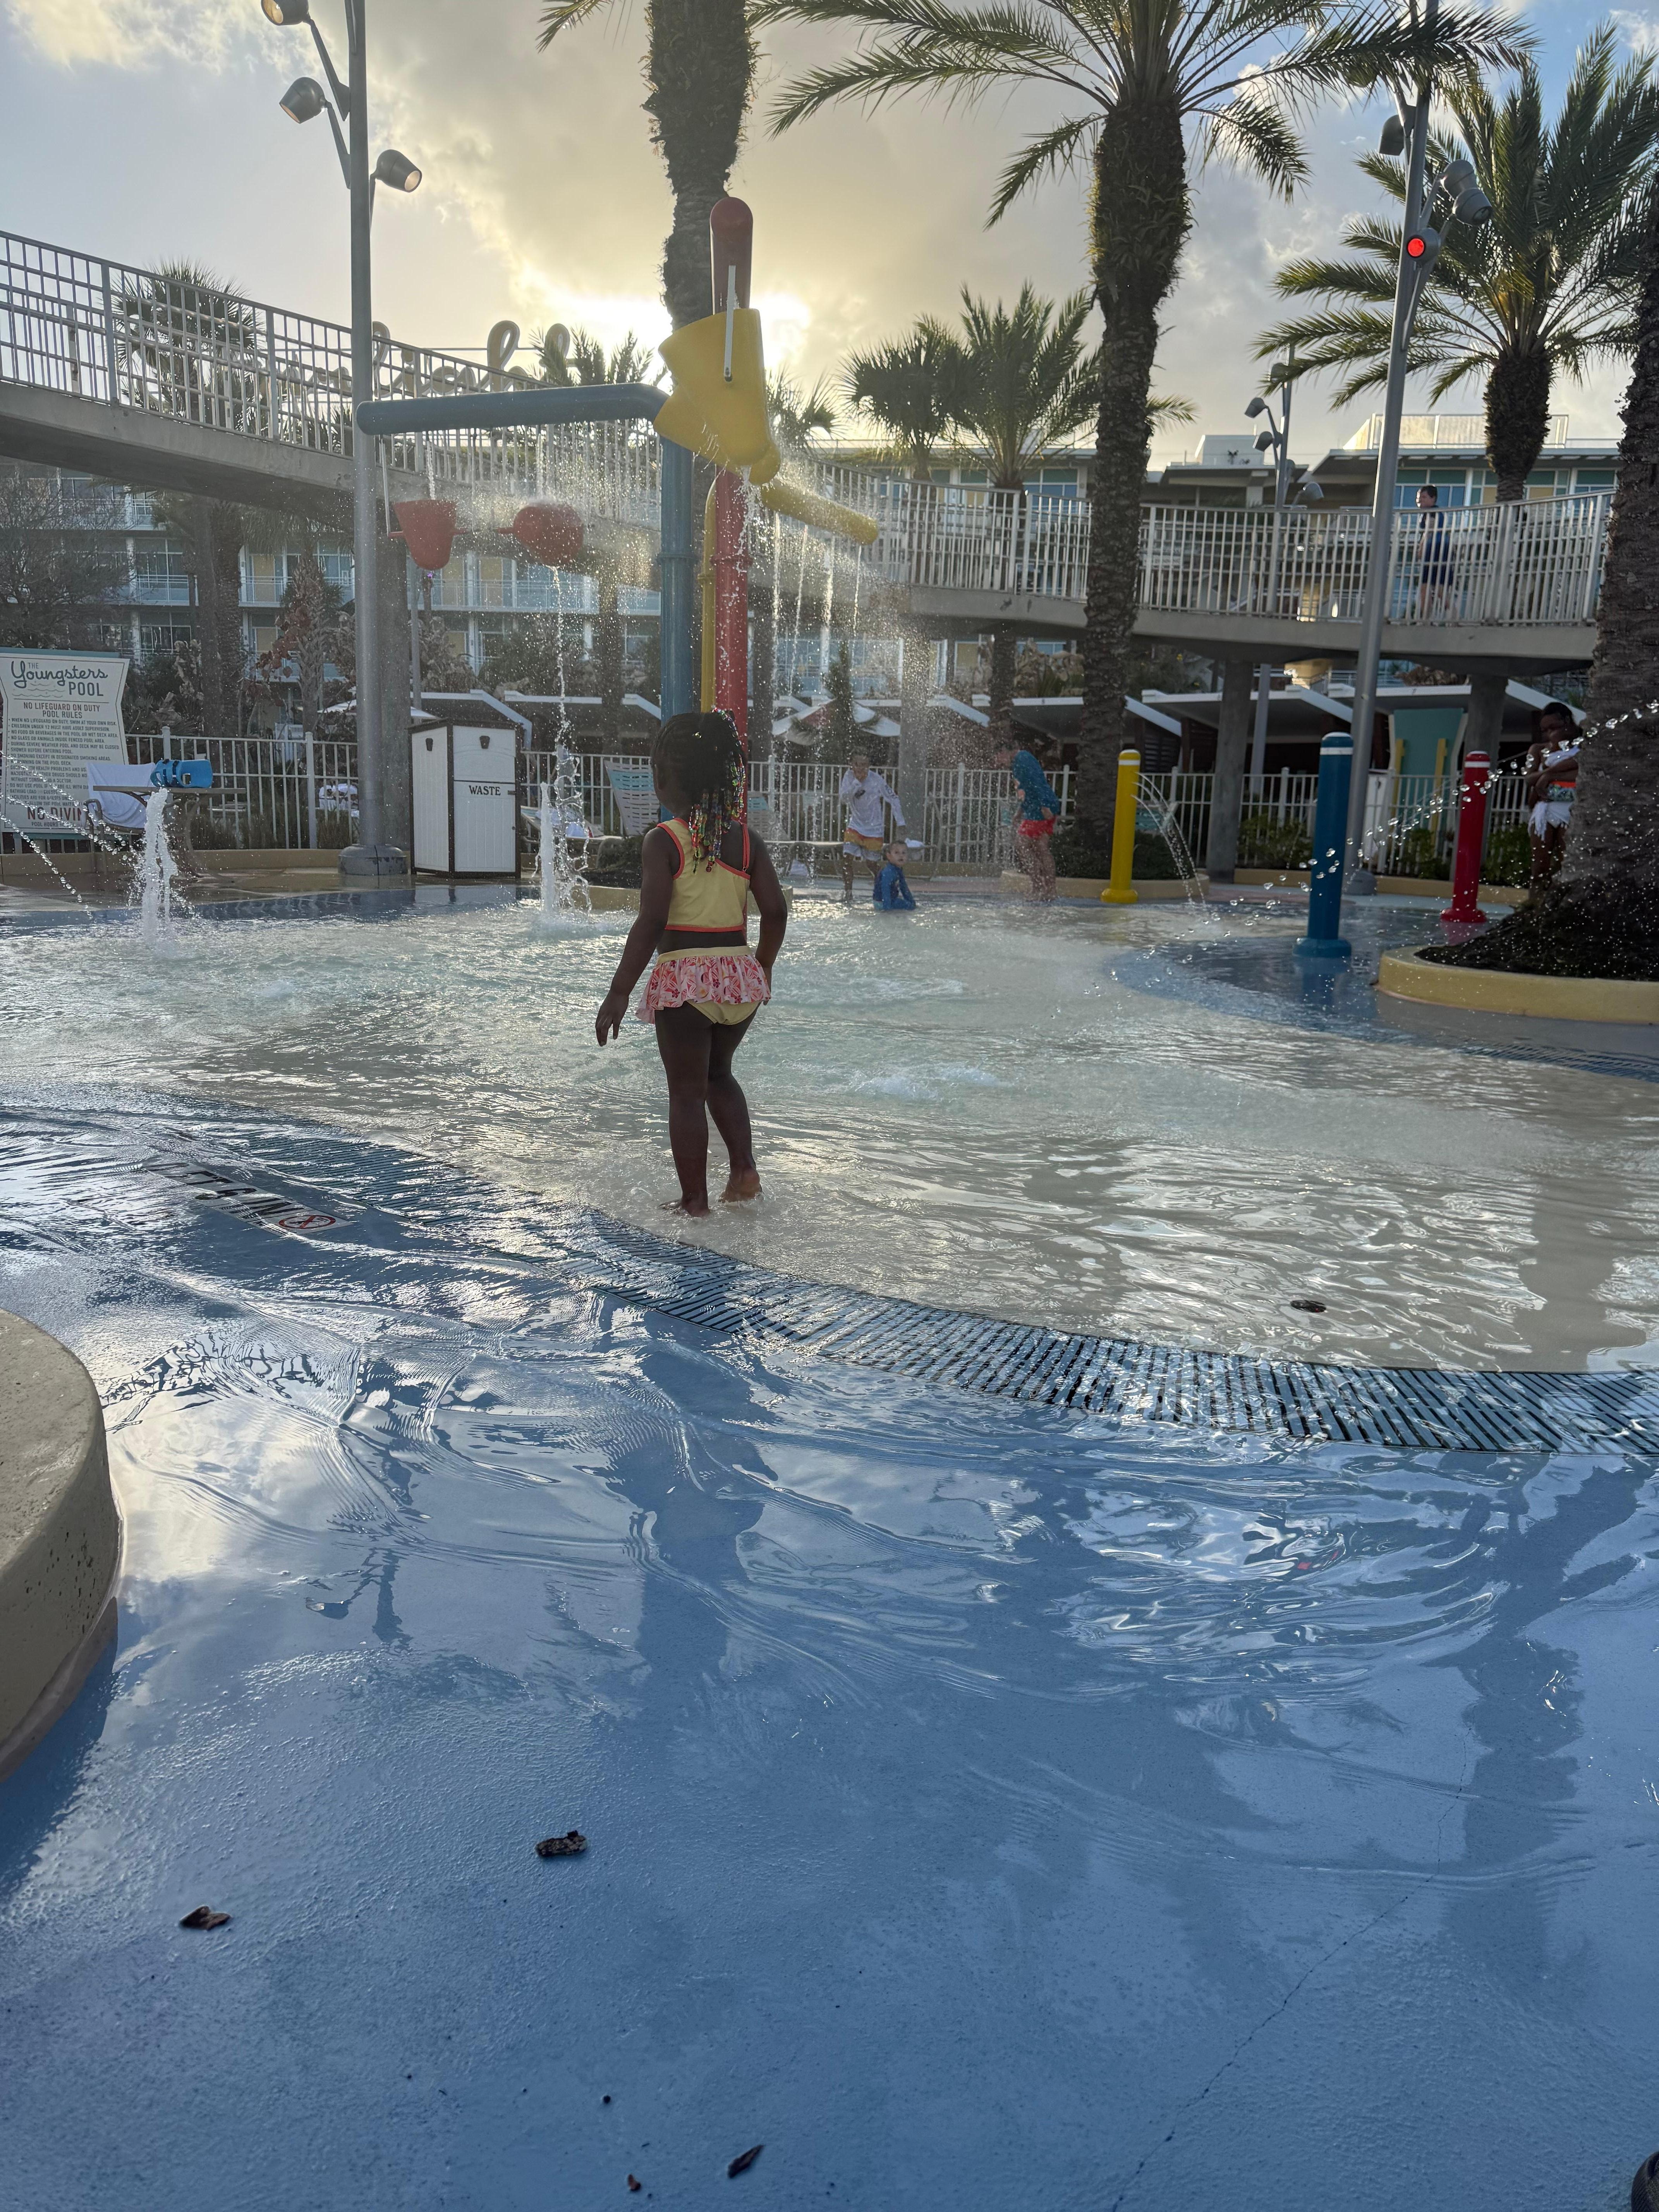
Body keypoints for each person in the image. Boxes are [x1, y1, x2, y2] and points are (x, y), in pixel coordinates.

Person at [595, 711, 787, 1216]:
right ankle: (743, 1172)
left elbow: (652, 921)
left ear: (664, 778)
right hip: (739, 980)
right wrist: (762, 966)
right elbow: (775, 912)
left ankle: (695, 1201)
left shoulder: (664, 841)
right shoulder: (746, 841)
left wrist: (619, 991)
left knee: (685, 1093)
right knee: (719, 1075)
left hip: (687, 981)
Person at [992, 735, 1061, 904]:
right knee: (1041, 848)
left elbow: (1036, 782)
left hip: (1040, 809)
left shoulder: (1022, 759)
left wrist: (1044, 806)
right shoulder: (1020, 761)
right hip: (1039, 807)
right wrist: (1020, 811)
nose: (998, 761)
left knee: (1022, 845)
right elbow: (1028, 788)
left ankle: (1038, 887)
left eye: (999, 756)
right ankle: (1049, 890)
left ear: (1006, 751)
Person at [1526, 698, 1580, 894]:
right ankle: (1534, 903)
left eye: (1553, 728)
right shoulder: (1538, 750)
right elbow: (1529, 778)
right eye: (1545, 730)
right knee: (1540, 866)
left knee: (1567, 863)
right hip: (1545, 811)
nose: (1550, 733)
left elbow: (1581, 773)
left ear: (1567, 722)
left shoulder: (1582, 748)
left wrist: (1548, 775)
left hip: (1572, 810)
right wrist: (1547, 775)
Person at [839, 750, 904, 900]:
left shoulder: (876, 780)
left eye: (864, 765)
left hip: (874, 829)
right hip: (855, 826)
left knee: (871, 864)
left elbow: (893, 798)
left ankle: (885, 891)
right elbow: (843, 799)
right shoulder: (849, 777)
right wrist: (856, 783)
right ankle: (848, 894)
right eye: (857, 765)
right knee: (846, 859)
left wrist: (901, 822)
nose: (860, 769)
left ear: (869, 766)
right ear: (852, 765)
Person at [1415, 484, 1454, 620]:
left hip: (1435, 551)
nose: (1420, 500)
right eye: (1419, 498)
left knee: (1431, 587)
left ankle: (1427, 619)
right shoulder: (1432, 513)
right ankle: (1428, 618)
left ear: (1433, 498)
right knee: (1432, 588)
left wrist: (1421, 548)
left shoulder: (1432, 513)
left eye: (1424, 497)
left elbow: (1429, 531)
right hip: (1439, 550)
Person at [872, 840, 916, 911]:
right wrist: (887, 909)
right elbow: (885, 888)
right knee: (908, 906)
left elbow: (904, 888)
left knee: (910, 905)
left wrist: (912, 902)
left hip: (887, 901)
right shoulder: (889, 872)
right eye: (897, 853)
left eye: (904, 853)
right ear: (889, 856)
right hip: (882, 903)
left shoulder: (898, 870)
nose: (901, 856)